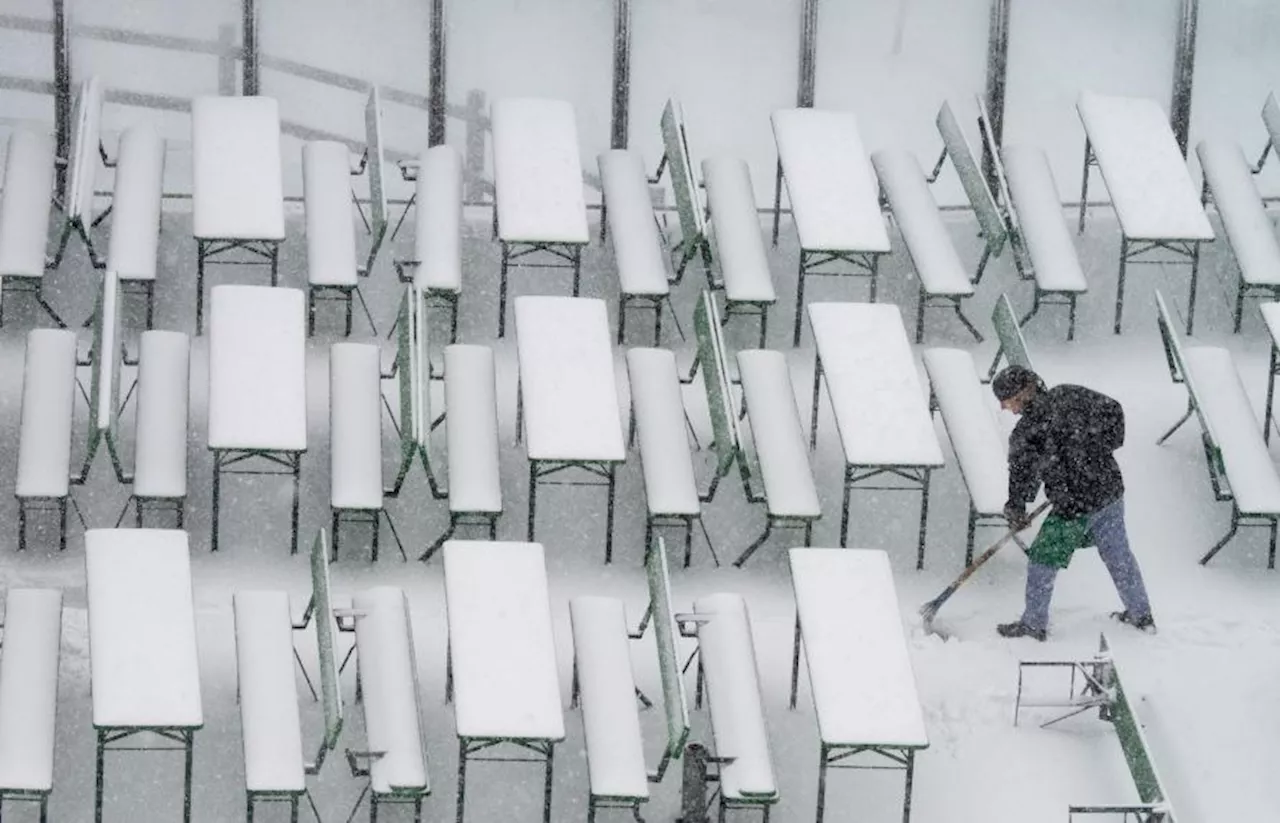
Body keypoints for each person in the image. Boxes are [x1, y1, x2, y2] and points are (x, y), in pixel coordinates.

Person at [991, 365, 1155, 641]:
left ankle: (1033, 625)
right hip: (1109, 492)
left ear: (1022, 393)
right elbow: (1113, 413)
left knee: (1042, 560)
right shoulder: (1069, 395)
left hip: (1073, 508)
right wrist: (1094, 451)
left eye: (1006, 401)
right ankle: (1141, 615)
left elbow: (1021, 475)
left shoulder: (1028, 432)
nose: (1005, 408)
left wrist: (1017, 509)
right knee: (1118, 556)